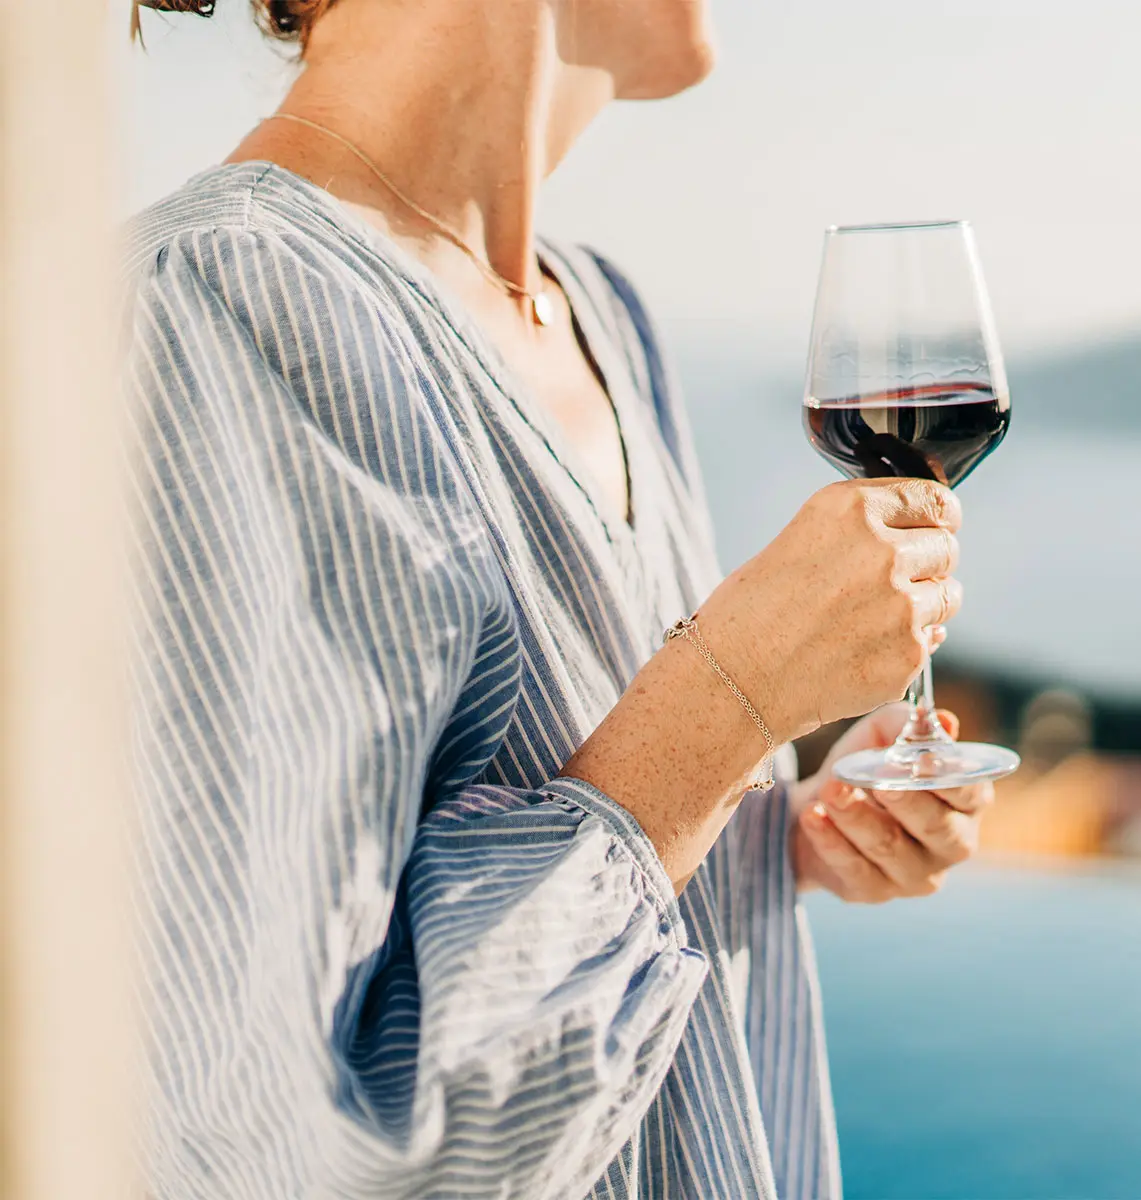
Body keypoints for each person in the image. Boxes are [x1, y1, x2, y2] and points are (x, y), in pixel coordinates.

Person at [125, 1, 993, 1196]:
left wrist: (766, 835)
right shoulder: (222, 310)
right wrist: (730, 703)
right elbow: (322, 1137)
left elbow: (580, 817)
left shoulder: (602, 316)